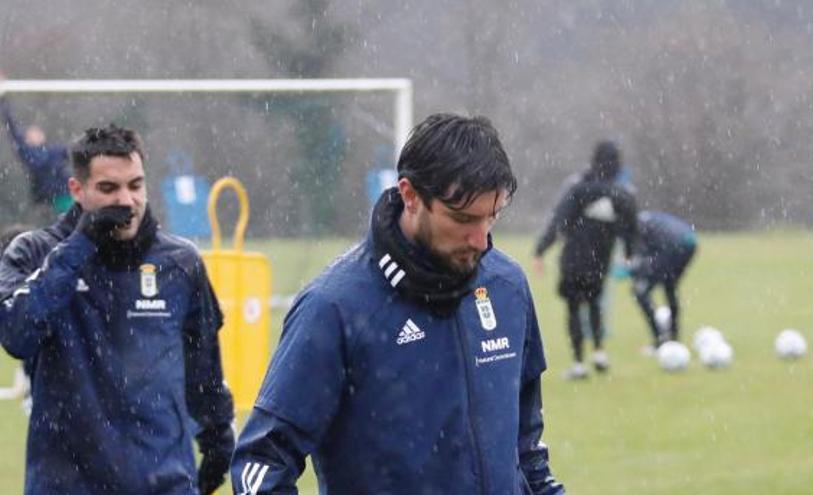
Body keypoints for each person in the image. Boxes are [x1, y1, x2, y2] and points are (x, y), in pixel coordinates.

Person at [230, 113, 565, 494]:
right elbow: (261, 464)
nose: (480, 240)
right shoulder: (334, 307)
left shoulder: (507, 287)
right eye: (462, 218)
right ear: (410, 195)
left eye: (492, 217)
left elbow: (527, 448)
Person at [0, 124, 234, 494]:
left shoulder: (179, 263)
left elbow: (203, 370)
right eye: (109, 189)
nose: (126, 201)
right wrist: (82, 245)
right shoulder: (34, 253)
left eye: (135, 185)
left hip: (163, 485)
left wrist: (219, 441)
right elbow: (17, 333)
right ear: (77, 190)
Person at [533, 140, 638, 379]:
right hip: (600, 261)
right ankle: (599, 353)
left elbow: (558, 221)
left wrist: (541, 250)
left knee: (573, 308)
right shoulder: (622, 194)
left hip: (573, 258)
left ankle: (579, 363)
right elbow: (631, 229)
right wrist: (629, 255)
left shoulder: (579, 189)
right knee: (594, 303)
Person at [0, 89, 74, 216]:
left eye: (37, 131)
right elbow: (13, 128)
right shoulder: (28, 153)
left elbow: (76, 149)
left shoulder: (54, 151)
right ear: (27, 139)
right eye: (31, 132)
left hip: (67, 195)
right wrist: (3, 100)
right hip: (51, 201)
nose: (35, 133)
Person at [630, 210, 698, 348]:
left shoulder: (634, 226)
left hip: (673, 247)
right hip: (690, 242)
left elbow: (641, 259)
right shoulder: (646, 217)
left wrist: (634, 269)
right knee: (669, 286)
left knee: (640, 291)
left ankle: (660, 340)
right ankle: (674, 337)